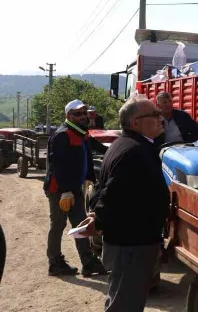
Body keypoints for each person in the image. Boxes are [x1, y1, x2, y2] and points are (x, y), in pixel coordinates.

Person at [82, 97, 168, 312]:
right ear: (135, 122)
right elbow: (112, 193)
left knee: (123, 299)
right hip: (131, 243)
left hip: (129, 242)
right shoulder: (134, 151)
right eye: (154, 115)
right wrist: (98, 219)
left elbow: (101, 189)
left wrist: (95, 214)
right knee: (124, 304)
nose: (161, 118)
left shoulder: (126, 145)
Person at [43, 99, 107, 277]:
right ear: (68, 116)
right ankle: (55, 263)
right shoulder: (62, 135)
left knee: (81, 224)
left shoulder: (81, 133)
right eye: (77, 114)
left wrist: (114, 150)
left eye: (84, 113)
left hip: (74, 188)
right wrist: (65, 191)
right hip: (60, 190)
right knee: (58, 225)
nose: (82, 116)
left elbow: (96, 147)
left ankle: (88, 262)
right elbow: (58, 166)